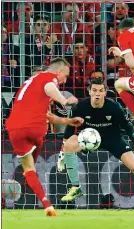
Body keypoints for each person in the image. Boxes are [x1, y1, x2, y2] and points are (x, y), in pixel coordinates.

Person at [47, 77, 134, 210]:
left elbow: (128, 127)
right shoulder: (80, 107)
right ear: (89, 91)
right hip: (88, 139)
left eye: (100, 90)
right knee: (69, 143)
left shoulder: (113, 107)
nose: (97, 93)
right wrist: (63, 153)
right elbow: (69, 130)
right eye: (94, 90)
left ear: (105, 92)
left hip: (112, 139)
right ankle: (75, 187)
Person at [6, 57, 84, 216]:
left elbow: (47, 114)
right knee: (37, 140)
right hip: (35, 127)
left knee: (29, 168)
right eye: (66, 75)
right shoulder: (48, 78)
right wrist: (64, 100)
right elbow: (50, 87)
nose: (65, 80)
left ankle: (47, 205)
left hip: (14, 127)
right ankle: (30, 174)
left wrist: (68, 121)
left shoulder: (30, 82)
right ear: (59, 70)